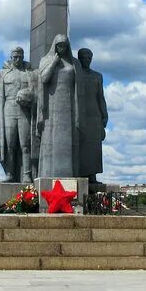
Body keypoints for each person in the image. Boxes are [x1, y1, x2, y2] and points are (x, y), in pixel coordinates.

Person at [36, 34, 83, 178]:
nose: (61, 48)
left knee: (69, 141)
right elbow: (43, 78)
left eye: (64, 46)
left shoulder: (74, 63)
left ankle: (70, 172)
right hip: (52, 105)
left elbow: (79, 86)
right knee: (51, 139)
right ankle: (49, 173)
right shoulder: (46, 60)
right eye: (59, 46)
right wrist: (54, 62)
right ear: (55, 46)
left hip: (69, 106)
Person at [0, 46, 35, 183]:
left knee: (26, 144)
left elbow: (36, 91)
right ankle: (10, 174)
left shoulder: (29, 74)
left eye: (20, 56)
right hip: (7, 111)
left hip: (24, 112)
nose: (17, 59)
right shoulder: (1, 74)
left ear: (23, 57)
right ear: (11, 57)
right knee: (9, 145)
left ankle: (26, 174)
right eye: (15, 57)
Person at [76, 48, 108, 188]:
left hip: (95, 115)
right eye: (84, 57)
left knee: (94, 147)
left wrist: (104, 115)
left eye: (89, 57)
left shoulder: (97, 76)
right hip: (80, 114)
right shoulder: (76, 74)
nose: (86, 60)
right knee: (81, 146)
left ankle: (92, 175)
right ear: (79, 58)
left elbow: (100, 97)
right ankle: (80, 173)